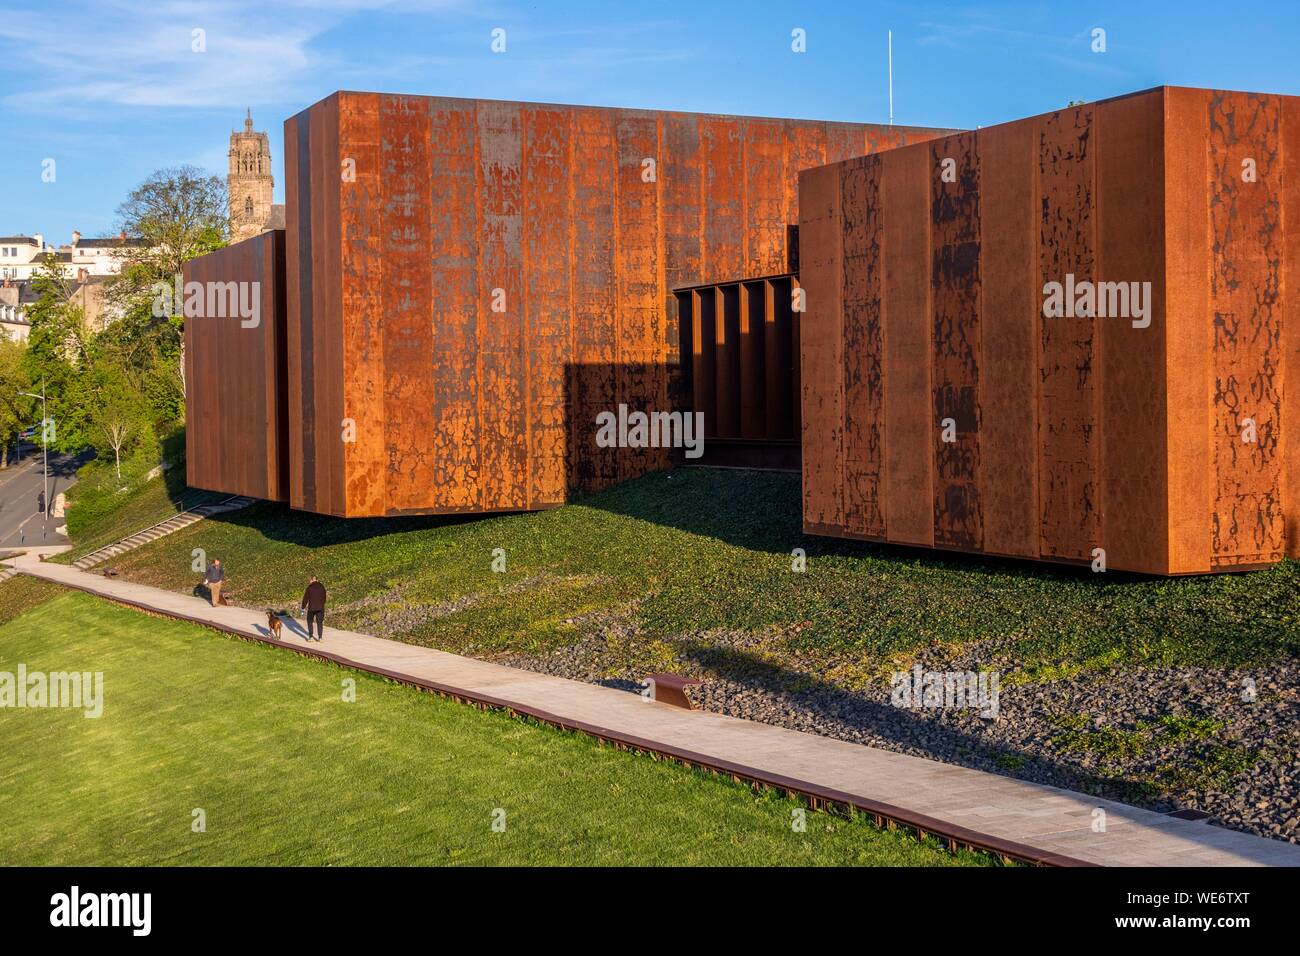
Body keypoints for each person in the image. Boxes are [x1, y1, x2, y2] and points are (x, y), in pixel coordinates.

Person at [301, 575, 327, 642]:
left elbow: (305, 599)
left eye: (310, 580)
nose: (309, 582)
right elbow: (324, 597)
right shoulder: (322, 587)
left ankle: (311, 637)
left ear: (312, 579)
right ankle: (320, 637)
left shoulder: (310, 587)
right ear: (317, 580)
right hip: (320, 608)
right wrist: (322, 604)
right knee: (319, 622)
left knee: (309, 621)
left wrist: (303, 608)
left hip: (312, 608)